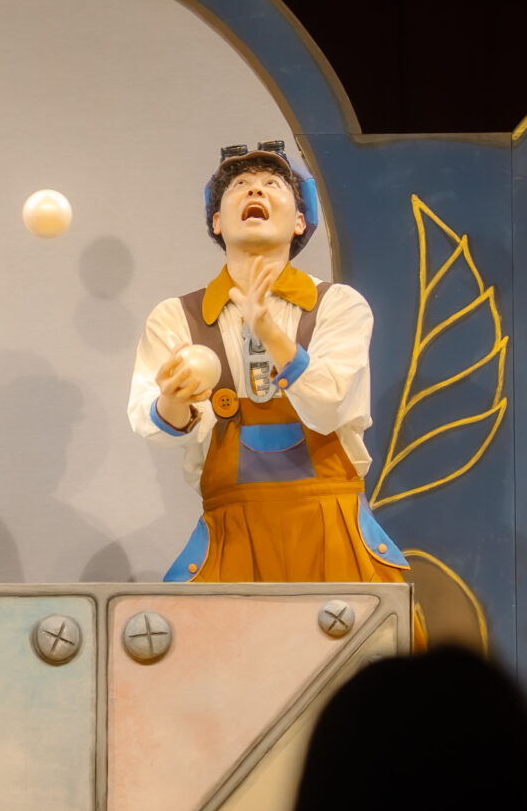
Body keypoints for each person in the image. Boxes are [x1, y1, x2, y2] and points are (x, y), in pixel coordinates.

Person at [128, 140, 405, 583]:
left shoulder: (338, 305)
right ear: (216, 221)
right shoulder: (177, 317)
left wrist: (269, 330)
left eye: (272, 184)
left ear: (299, 221)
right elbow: (150, 419)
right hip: (233, 537)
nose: (255, 190)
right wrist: (173, 401)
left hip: (331, 531)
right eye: (239, 184)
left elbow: (329, 405)